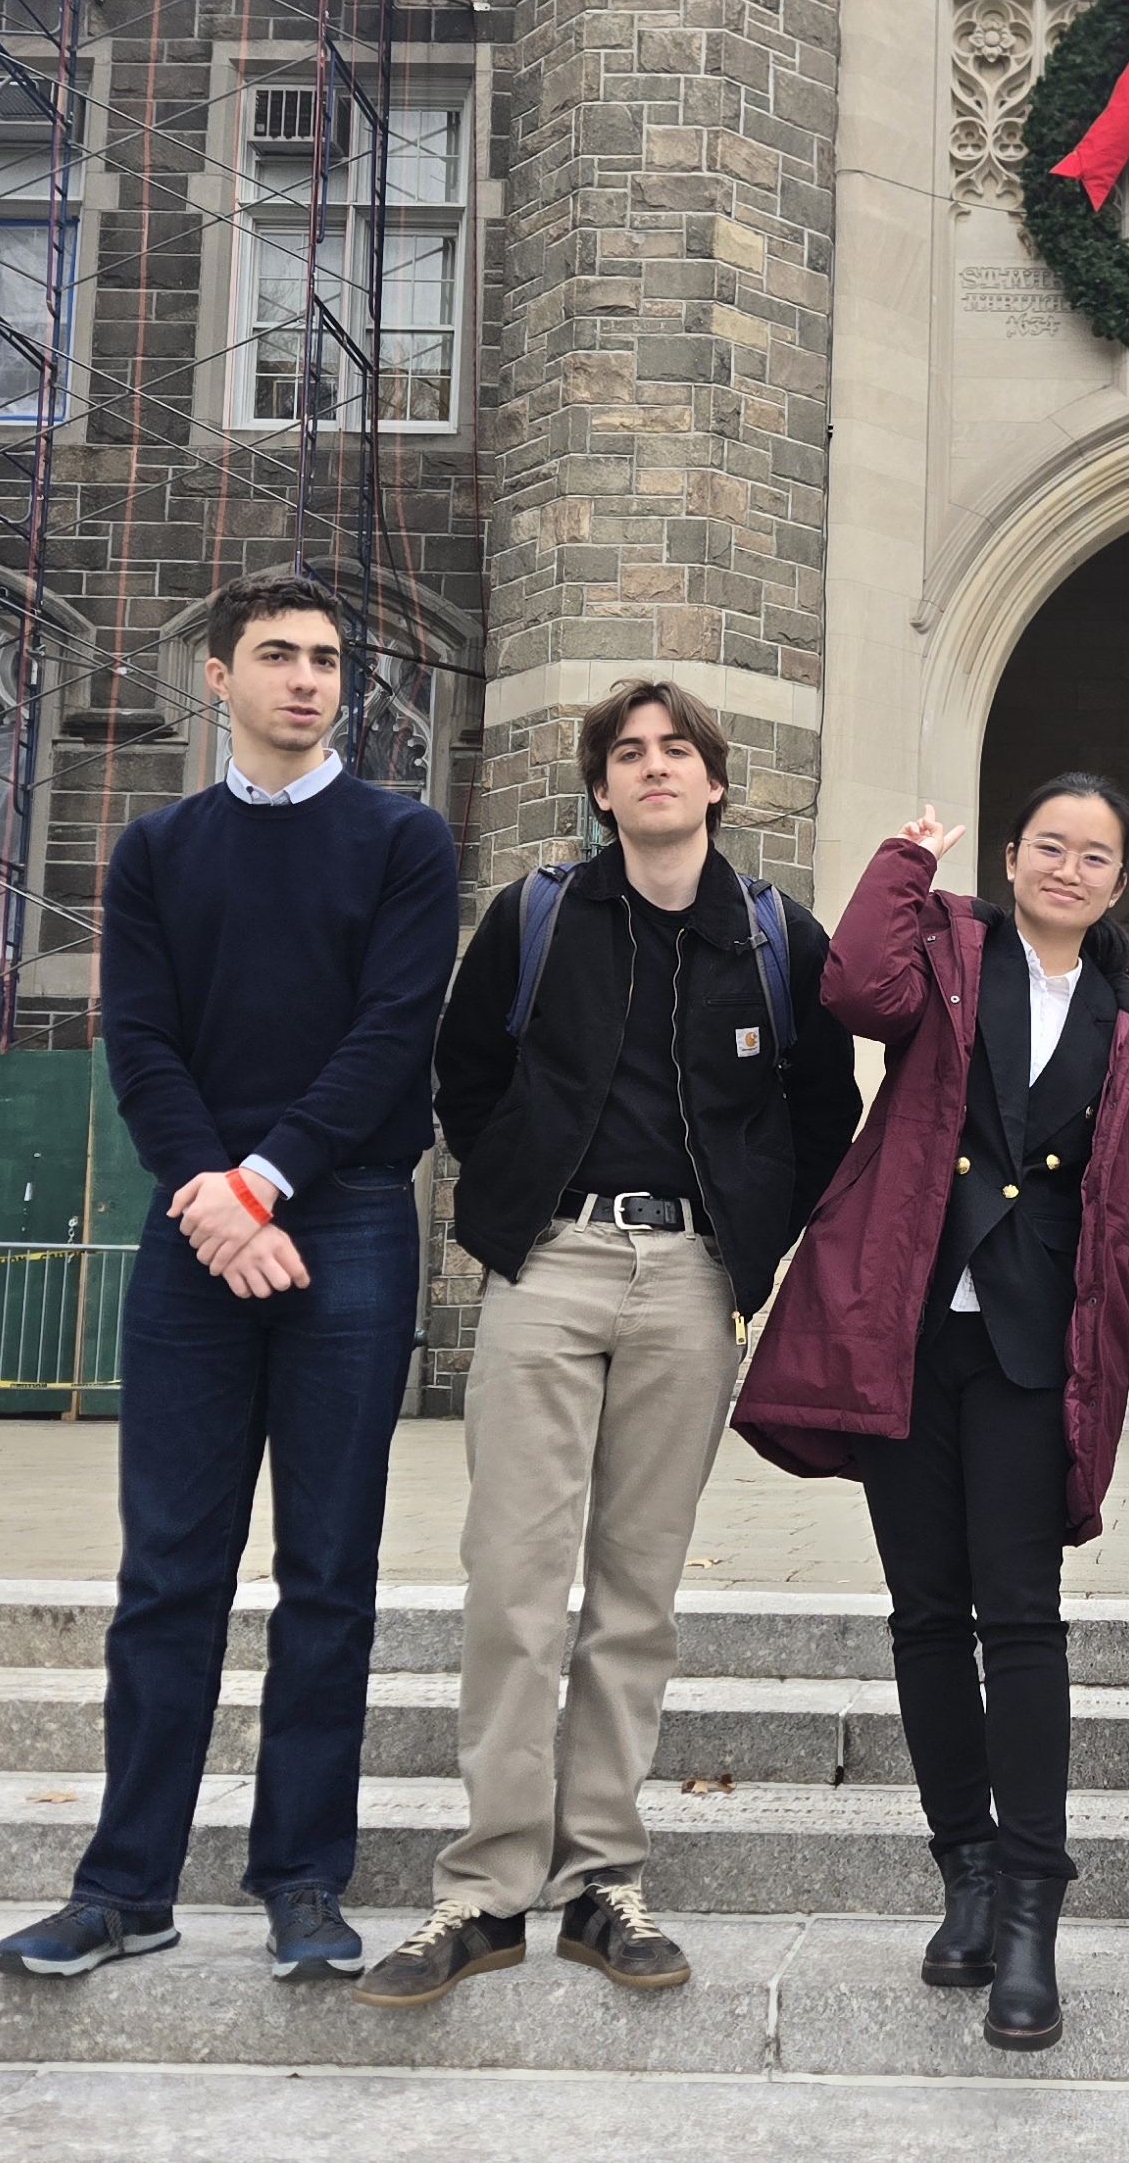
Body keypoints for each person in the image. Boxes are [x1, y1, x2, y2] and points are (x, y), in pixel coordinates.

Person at [359, 678, 861, 2007]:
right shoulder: (535, 918)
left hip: (691, 1279)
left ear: (715, 782)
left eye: (676, 751)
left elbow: (825, 1110)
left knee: (636, 1596)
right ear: (600, 788)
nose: (653, 768)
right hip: (553, 1265)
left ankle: (601, 1880)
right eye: (628, 753)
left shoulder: (775, 937)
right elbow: (467, 1077)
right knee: (514, 1584)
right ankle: (484, 1887)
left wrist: (751, 1237)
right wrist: (517, 1204)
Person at [0, 570, 459, 1984]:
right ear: (218, 675)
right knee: (168, 1574)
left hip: (348, 1219)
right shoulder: (158, 851)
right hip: (197, 1232)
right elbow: (140, 1040)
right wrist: (216, 1196)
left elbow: (392, 1030)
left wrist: (263, 1181)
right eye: (277, 655)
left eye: (326, 659)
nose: (308, 679)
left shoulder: (402, 839)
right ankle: (124, 1884)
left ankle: (303, 1877)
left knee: (328, 1573)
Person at [730, 778, 1129, 2053]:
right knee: (926, 1612)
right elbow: (853, 991)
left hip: (1036, 1351)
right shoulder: (944, 955)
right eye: (1049, 846)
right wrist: (901, 862)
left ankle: (1032, 1910)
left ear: (1117, 883)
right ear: (1012, 856)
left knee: (1020, 1617)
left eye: (1094, 855)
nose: (1068, 868)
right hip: (911, 1329)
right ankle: (966, 1875)